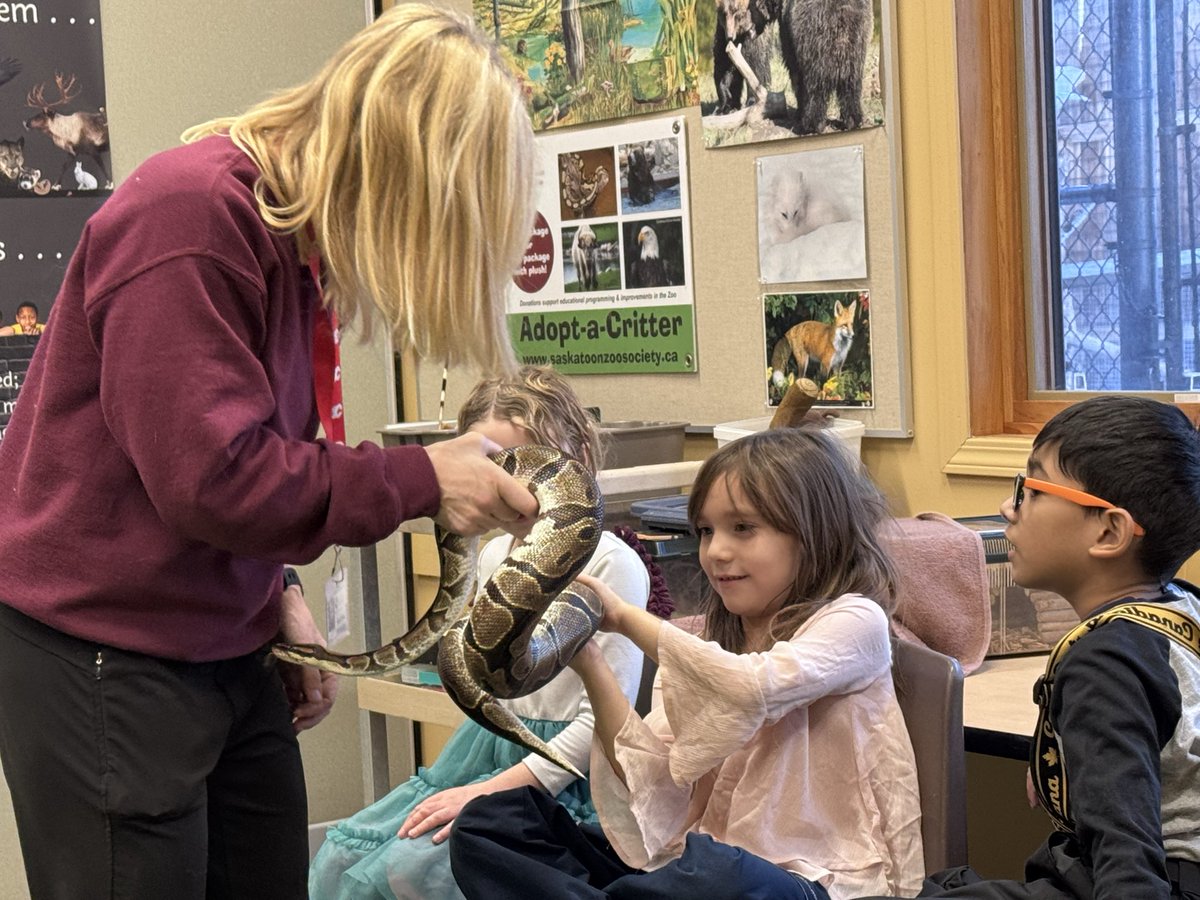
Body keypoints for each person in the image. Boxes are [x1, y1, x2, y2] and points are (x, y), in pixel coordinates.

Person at [0, 6, 540, 899]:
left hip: (224, 639)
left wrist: (278, 591)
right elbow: (209, 478)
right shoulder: (191, 216)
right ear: (400, 167)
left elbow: (242, 444)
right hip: (103, 650)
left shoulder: (289, 239)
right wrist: (422, 478)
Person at [450, 427, 926, 900]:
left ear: (815, 533)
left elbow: (750, 690)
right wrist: (589, 659)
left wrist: (624, 617)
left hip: (820, 882)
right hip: (701, 866)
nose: (716, 551)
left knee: (717, 872)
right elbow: (653, 789)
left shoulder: (855, 619)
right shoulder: (704, 646)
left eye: (743, 528)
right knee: (491, 824)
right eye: (705, 531)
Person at [309, 364, 661, 899]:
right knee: (351, 857)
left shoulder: (611, 566)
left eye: (529, 465)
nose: (512, 490)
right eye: (494, 466)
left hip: (566, 779)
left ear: (579, 458)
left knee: (420, 868)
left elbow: (600, 727)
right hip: (488, 750)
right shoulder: (496, 553)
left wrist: (489, 792)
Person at [861, 395, 1200, 900]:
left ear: (1109, 531)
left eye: (1031, 490)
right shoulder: (1180, 605)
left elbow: (1126, 859)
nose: (1008, 507)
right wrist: (1065, 753)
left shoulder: (1105, 662)